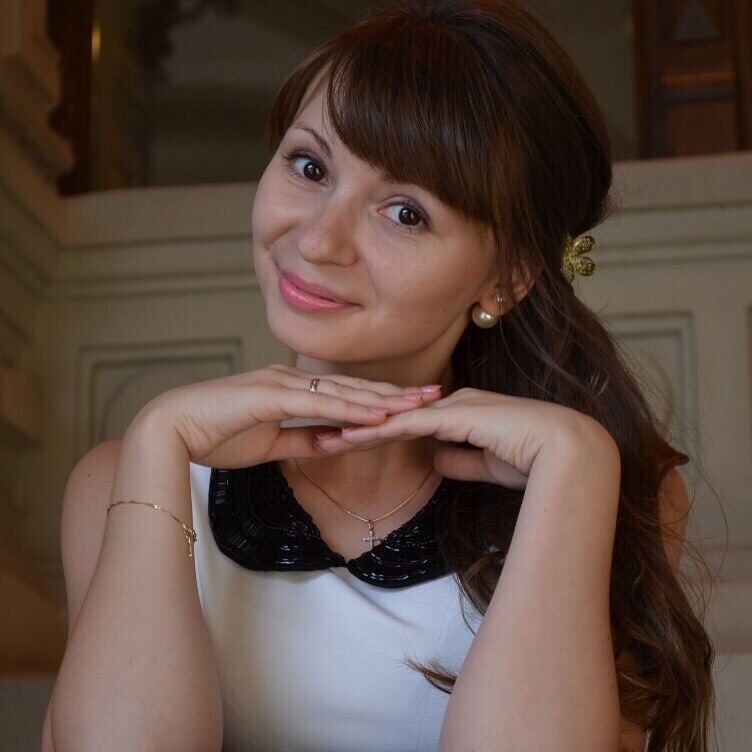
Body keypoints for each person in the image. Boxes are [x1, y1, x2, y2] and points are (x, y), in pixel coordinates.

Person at [45, 1, 717, 750]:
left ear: (509, 277)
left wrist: (576, 465)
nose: (318, 239)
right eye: (310, 167)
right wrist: (157, 438)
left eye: (405, 213)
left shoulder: (610, 492)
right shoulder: (128, 478)